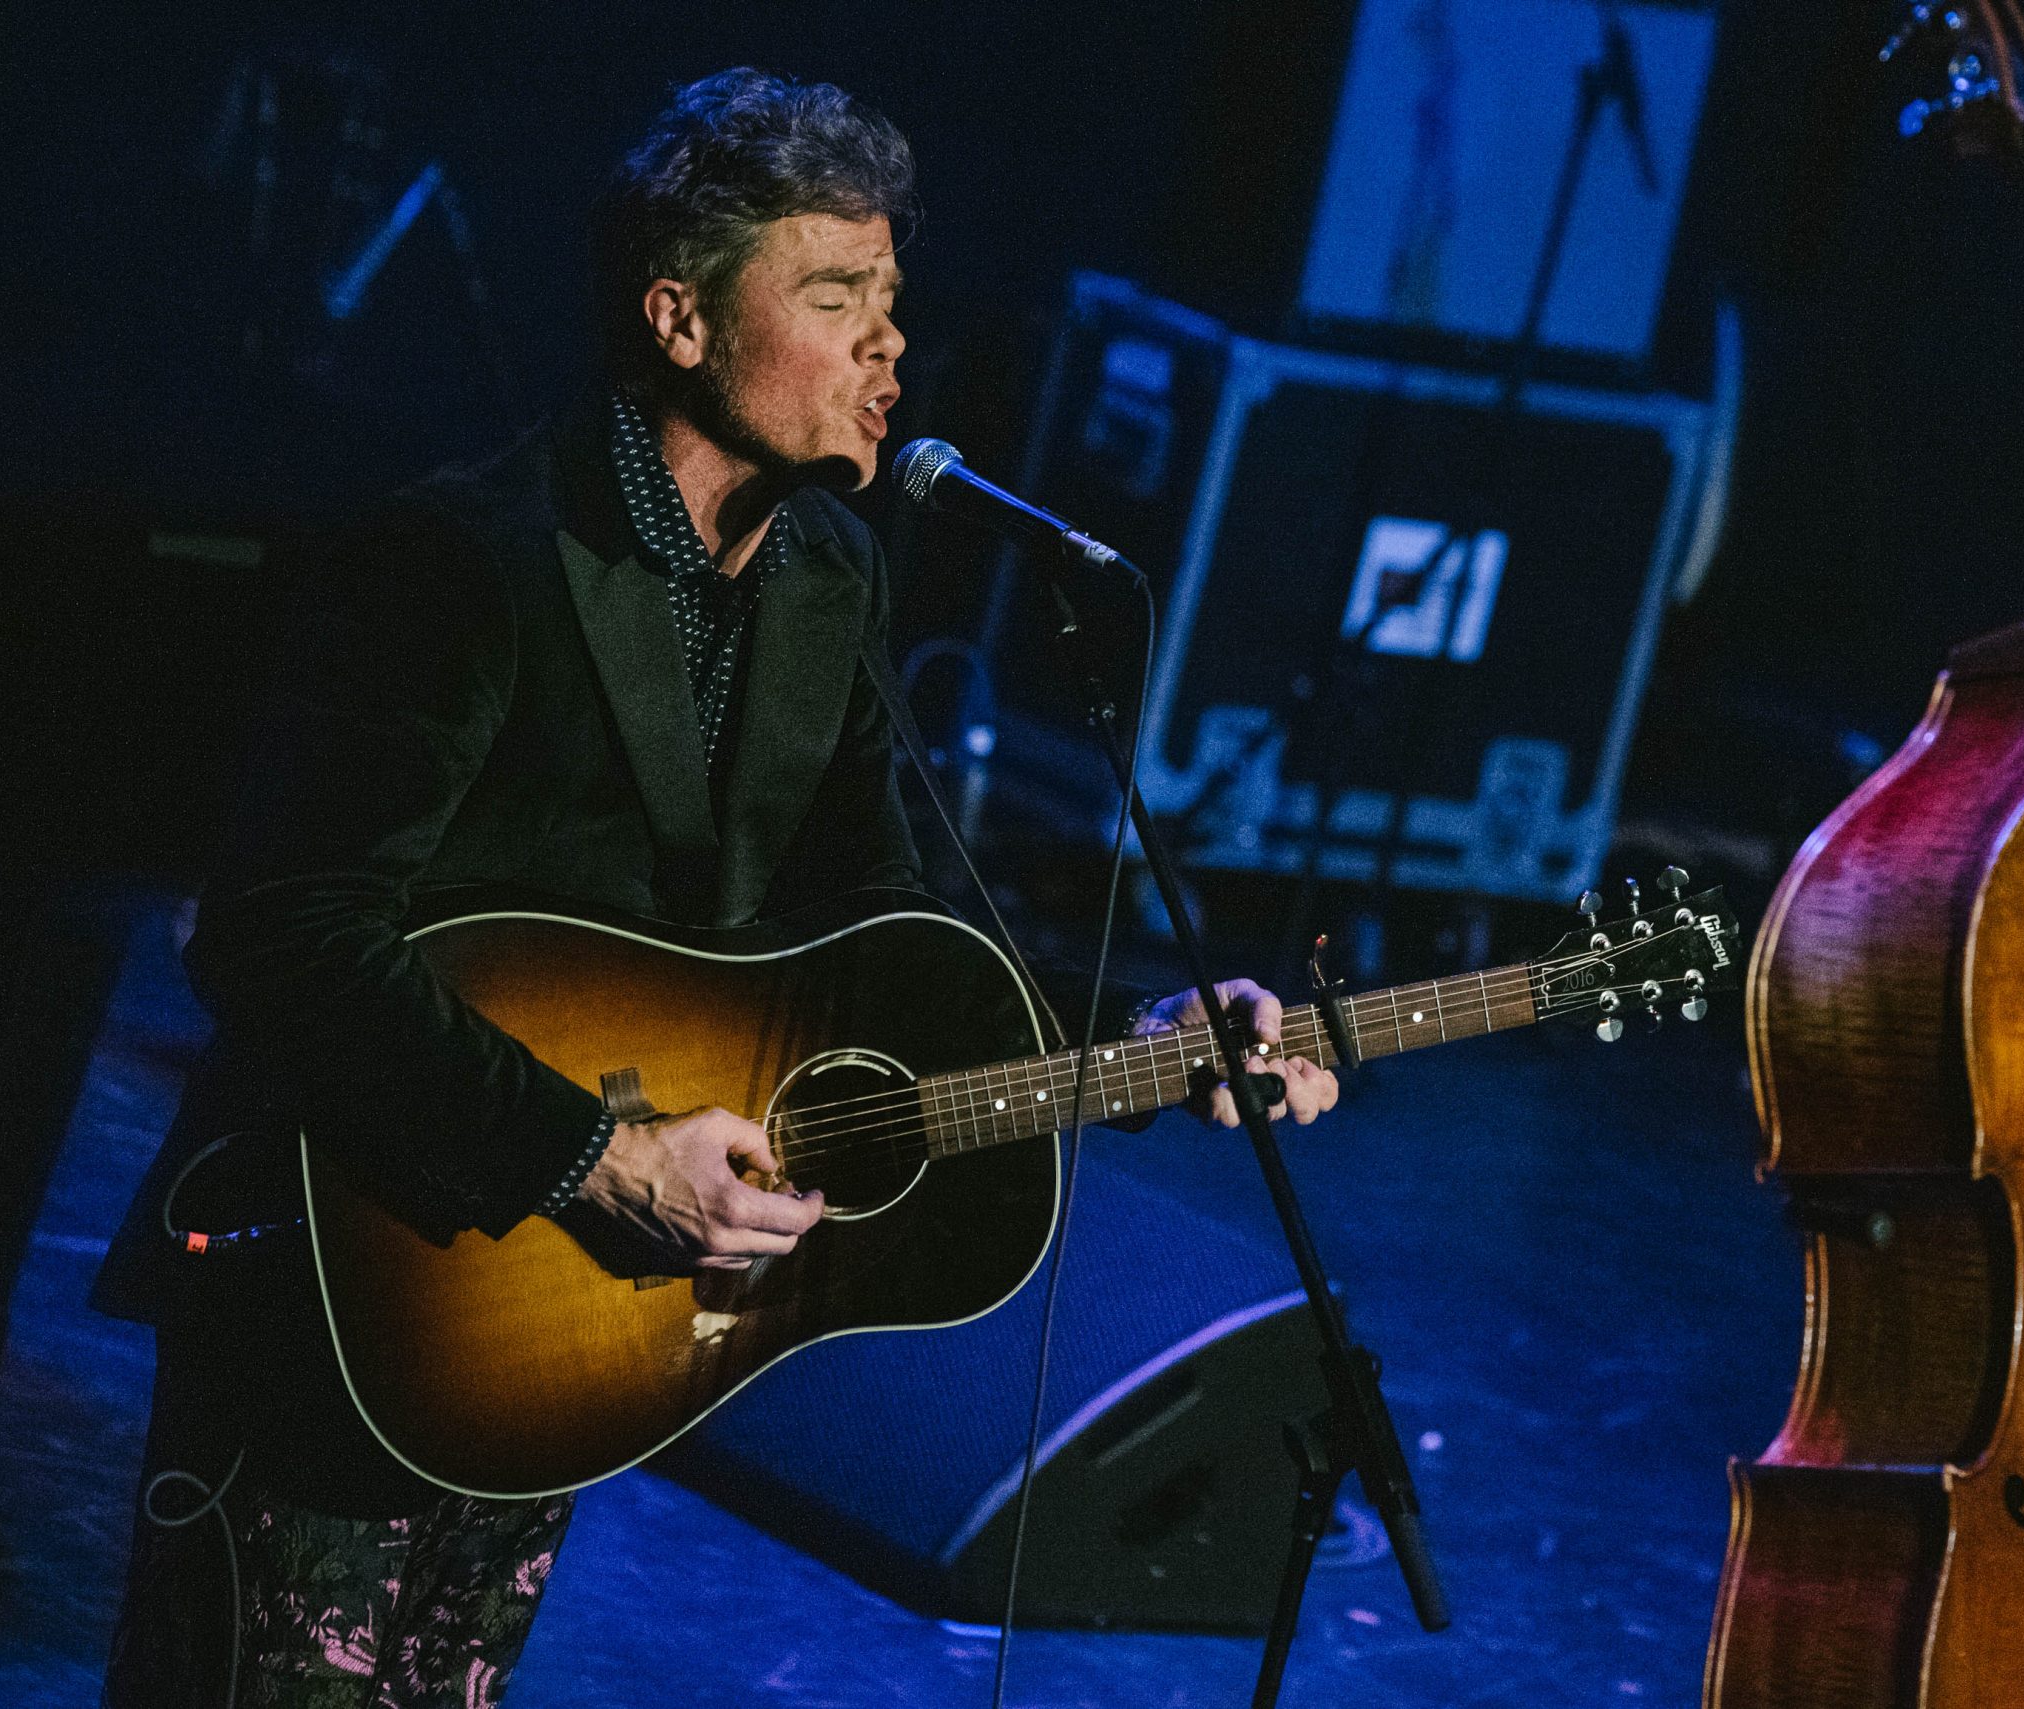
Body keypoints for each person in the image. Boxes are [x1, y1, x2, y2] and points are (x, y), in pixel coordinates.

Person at [92, 68, 1335, 1707]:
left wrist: (1154, 1036)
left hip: (551, 1333)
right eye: (835, 299)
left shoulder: (828, 577)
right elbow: (278, 933)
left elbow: (889, 952)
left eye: (891, 300)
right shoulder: (469, 560)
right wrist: (593, 1156)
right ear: (680, 319)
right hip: (346, 1271)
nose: (890, 348)